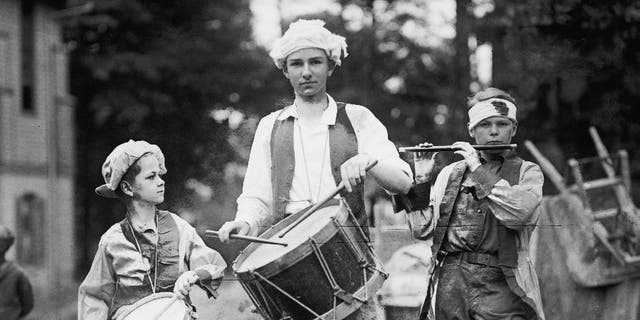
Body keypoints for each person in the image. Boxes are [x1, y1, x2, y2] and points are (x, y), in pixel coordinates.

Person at [218, 18, 412, 242]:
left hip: (350, 246)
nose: (306, 72)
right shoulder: (270, 125)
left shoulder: (357, 118)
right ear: (285, 70)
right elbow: (256, 196)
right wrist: (244, 221)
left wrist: (369, 161)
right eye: (297, 64)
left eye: (316, 62)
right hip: (288, 248)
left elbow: (403, 183)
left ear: (330, 66)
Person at [395, 88, 545, 320]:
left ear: (513, 129)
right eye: (484, 125)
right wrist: (423, 179)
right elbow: (421, 230)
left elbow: (520, 213)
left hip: (502, 283)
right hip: (450, 282)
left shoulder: (528, 172)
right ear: (471, 130)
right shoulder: (449, 173)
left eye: (502, 124)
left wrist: (477, 169)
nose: (494, 132)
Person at [78, 140, 227, 320]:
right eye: (151, 177)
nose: (161, 182)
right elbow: (94, 297)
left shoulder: (179, 227)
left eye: (160, 175)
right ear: (127, 187)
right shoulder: (112, 240)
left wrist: (193, 274)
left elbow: (215, 266)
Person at [0, 225, 34, 320]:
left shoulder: (17, 273)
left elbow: (27, 304)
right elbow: (28, 304)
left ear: (2, 247)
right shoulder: (18, 272)